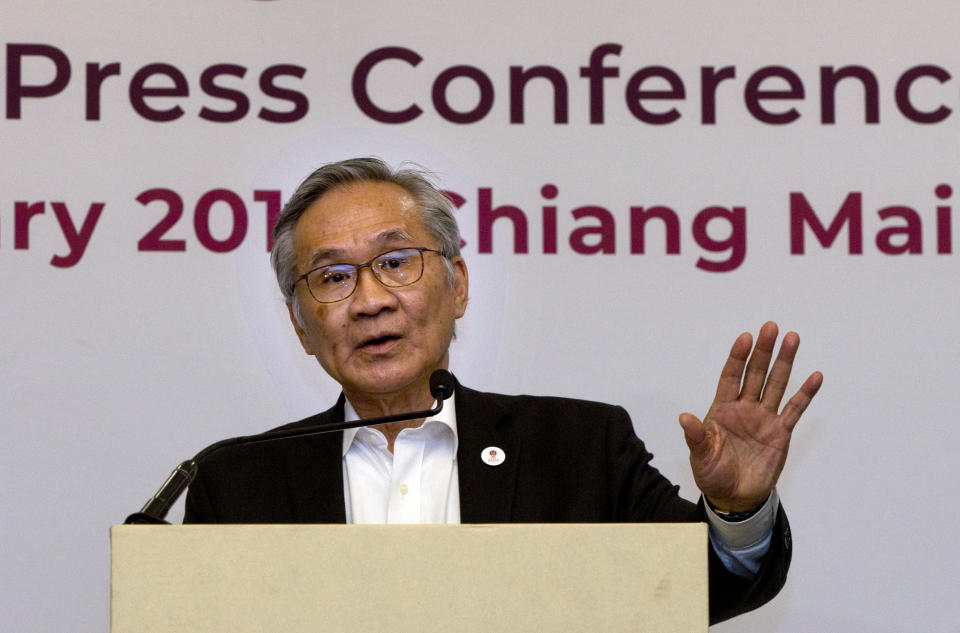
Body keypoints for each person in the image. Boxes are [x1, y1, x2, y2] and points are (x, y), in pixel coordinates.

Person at [184, 157, 823, 624]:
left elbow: (700, 588)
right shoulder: (237, 482)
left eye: (396, 262)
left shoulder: (579, 449)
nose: (371, 301)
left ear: (457, 285)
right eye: (333, 277)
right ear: (300, 323)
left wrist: (738, 511)